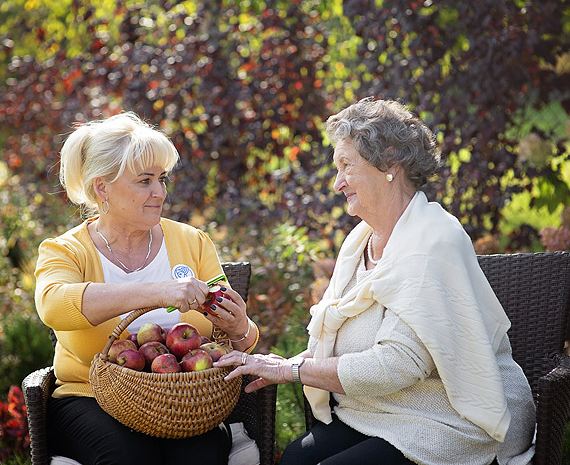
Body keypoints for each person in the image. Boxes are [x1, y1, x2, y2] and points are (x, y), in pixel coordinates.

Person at [215, 97, 536, 465]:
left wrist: (290, 370)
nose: (337, 183)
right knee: (293, 461)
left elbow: (398, 364)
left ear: (389, 162)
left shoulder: (433, 241)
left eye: (346, 166)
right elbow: (345, 348)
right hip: (375, 411)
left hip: (448, 419)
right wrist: (286, 362)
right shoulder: (359, 241)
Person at [35, 112, 259, 465]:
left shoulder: (192, 242)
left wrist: (240, 327)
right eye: (144, 181)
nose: (160, 192)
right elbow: (53, 306)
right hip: (91, 398)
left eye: (162, 179)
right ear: (101, 187)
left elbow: (238, 338)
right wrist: (157, 292)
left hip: (186, 401)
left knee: (201, 458)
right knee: (128, 457)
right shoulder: (65, 250)